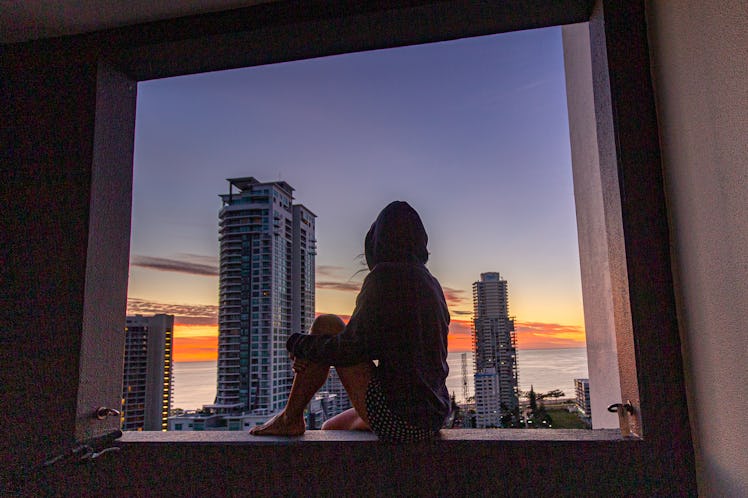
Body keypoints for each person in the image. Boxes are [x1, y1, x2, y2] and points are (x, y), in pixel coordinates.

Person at [250, 201, 450, 442]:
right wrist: (311, 348)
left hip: (401, 419)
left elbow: (350, 349)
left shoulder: (385, 277)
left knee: (327, 324)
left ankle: (290, 418)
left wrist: (299, 345)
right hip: (432, 416)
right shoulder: (432, 284)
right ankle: (292, 418)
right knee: (330, 426)